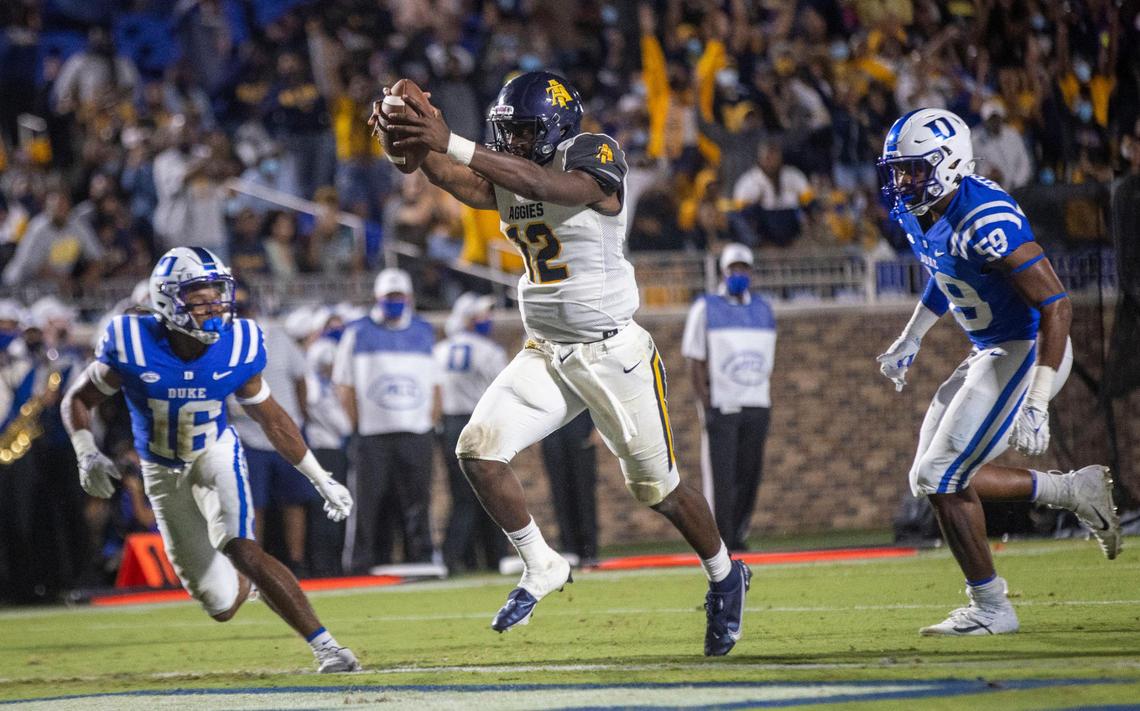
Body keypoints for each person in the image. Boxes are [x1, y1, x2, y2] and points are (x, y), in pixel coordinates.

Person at [376, 70, 750, 656]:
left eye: (522, 133)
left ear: (554, 128)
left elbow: (547, 185)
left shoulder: (594, 154)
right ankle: (541, 562)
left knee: (659, 489)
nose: (512, 144)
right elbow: (458, 178)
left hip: (611, 351)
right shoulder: (508, 169)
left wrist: (449, 141)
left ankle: (727, 575)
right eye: (506, 134)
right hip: (547, 350)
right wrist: (412, 144)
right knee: (478, 450)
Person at [875, 108, 1122, 637]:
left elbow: (1057, 305)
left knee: (941, 475)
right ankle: (1070, 491)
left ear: (949, 165)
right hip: (990, 347)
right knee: (930, 477)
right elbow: (946, 270)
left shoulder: (984, 218)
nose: (903, 181)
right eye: (898, 169)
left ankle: (992, 608)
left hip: (1026, 346)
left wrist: (1038, 400)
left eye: (914, 169)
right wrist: (912, 335)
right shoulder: (924, 210)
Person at [60, 247, 359, 672]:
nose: (214, 304)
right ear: (167, 299)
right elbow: (78, 399)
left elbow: (273, 419)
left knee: (241, 546)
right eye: (199, 295)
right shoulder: (130, 340)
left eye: (217, 293)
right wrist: (86, 452)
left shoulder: (239, 343)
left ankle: (326, 646)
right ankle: (244, 583)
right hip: (160, 469)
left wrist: (318, 476)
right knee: (220, 605)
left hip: (215, 451)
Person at [333, 267, 439, 572]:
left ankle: (422, 560)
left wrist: (429, 422)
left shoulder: (423, 331)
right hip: (373, 433)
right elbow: (344, 384)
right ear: (378, 298)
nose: (394, 301)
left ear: (408, 297)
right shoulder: (357, 332)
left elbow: (435, 383)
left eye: (399, 295)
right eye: (389, 296)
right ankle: (358, 564)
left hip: (416, 430)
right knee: (365, 503)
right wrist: (358, 426)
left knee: (419, 502)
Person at [681, 243, 775, 552]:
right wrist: (704, 404)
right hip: (722, 404)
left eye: (743, 269)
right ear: (723, 271)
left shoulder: (763, 309)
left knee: (749, 475)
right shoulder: (705, 307)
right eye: (733, 268)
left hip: (757, 403)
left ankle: (738, 535)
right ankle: (718, 541)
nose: (739, 274)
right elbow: (695, 359)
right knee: (720, 479)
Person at [228, 288, 317, 577]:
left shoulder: (276, 338)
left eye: (244, 308)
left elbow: (300, 376)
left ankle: (297, 562)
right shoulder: (220, 344)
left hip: (285, 432)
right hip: (248, 434)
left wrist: (301, 417)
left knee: (294, 500)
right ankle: (254, 567)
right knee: (253, 505)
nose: (242, 314)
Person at [434, 293, 508, 573]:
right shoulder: (489, 351)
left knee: (461, 494)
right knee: (491, 491)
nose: (487, 320)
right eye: (481, 315)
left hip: (451, 425)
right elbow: (503, 392)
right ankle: (485, 555)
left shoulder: (439, 350)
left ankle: (460, 556)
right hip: (481, 423)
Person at [540, 411, 599, 567]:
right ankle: (569, 550)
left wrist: (597, 428)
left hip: (580, 426)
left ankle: (589, 551)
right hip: (552, 429)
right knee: (560, 495)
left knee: (584, 494)